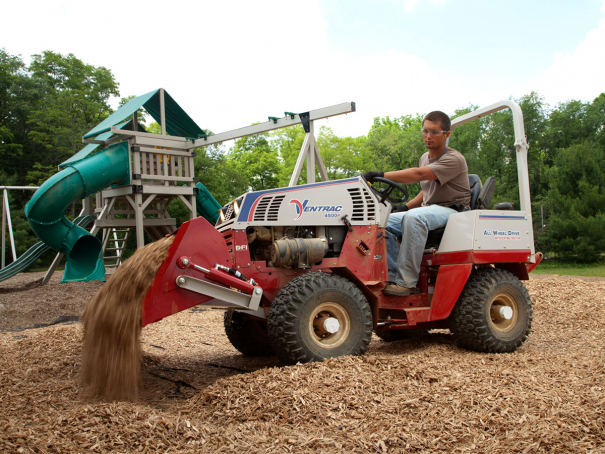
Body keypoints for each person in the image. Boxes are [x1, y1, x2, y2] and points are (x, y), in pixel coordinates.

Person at [364, 111, 471, 296]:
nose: (428, 136)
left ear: (447, 134)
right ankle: (391, 276)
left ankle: (406, 283)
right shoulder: (425, 157)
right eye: (425, 131)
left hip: (453, 211)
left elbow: (419, 175)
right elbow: (426, 189)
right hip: (430, 210)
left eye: (434, 132)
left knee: (415, 218)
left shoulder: (454, 159)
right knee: (383, 221)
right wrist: (406, 207)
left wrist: (380, 175)